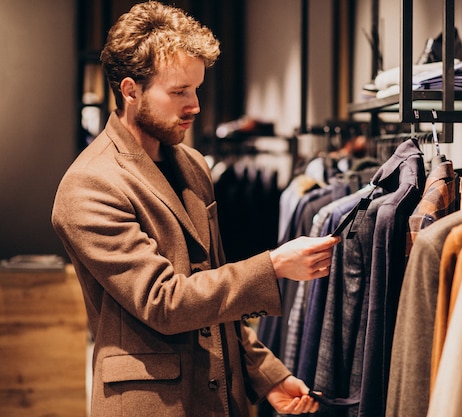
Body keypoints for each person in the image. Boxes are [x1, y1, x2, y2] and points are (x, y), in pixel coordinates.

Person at [51, 2, 340, 416]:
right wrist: (272, 265)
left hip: (222, 393)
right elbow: (163, 301)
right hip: (153, 403)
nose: (196, 105)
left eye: (196, 88)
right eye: (178, 92)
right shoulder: (89, 186)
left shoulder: (192, 164)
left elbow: (214, 292)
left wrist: (266, 374)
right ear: (130, 90)